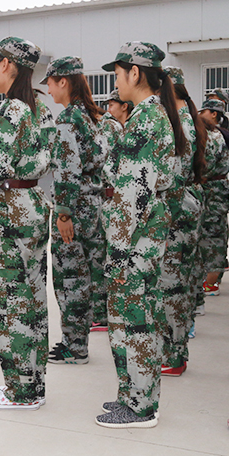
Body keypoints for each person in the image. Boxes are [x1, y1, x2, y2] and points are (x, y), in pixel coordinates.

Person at [96, 41, 186, 428]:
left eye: (118, 74)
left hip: (134, 240)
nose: (116, 83)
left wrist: (118, 251)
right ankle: (133, 395)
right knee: (135, 317)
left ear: (135, 73)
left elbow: (134, 194)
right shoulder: (151, 116)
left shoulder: (147, 119)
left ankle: (141, 406)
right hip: (142, 236)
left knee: (135, 320)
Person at [0, 37, 55, 411]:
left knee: (8, 301)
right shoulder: (41, 108)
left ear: (7, 64)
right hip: (33, 202)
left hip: (7, 210)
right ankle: (33, 383)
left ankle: (20, 391)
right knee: (32, 296)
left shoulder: (10, 112)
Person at [41, 56, 106, 365]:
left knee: (71, 279)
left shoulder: (68, 119)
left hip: (75, 209)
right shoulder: (94, 117)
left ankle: (75, 346)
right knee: (88, 276)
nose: (49, 90)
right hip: (95, 206)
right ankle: (79, 340)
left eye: (51, 84)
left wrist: (64, 213)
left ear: (63, 82)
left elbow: (67, 169)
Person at [159, 66, 207, 377]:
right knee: (181, 282)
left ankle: (173, 355)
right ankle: (176, 349)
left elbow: (173, 178)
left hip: (177, 213)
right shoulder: (189, 119)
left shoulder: (180, 124)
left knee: (172, 285)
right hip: (187, 209)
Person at [197, 99, 229, 301]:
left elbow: (206, 166)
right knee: (211, 233)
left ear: (213, 114)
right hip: (213, 190)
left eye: (203, 111)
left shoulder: (214, 136)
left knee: (213, 235)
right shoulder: (214, 134)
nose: (200, 115)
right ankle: (210, 279)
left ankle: (211, 282)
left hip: (213, 192)